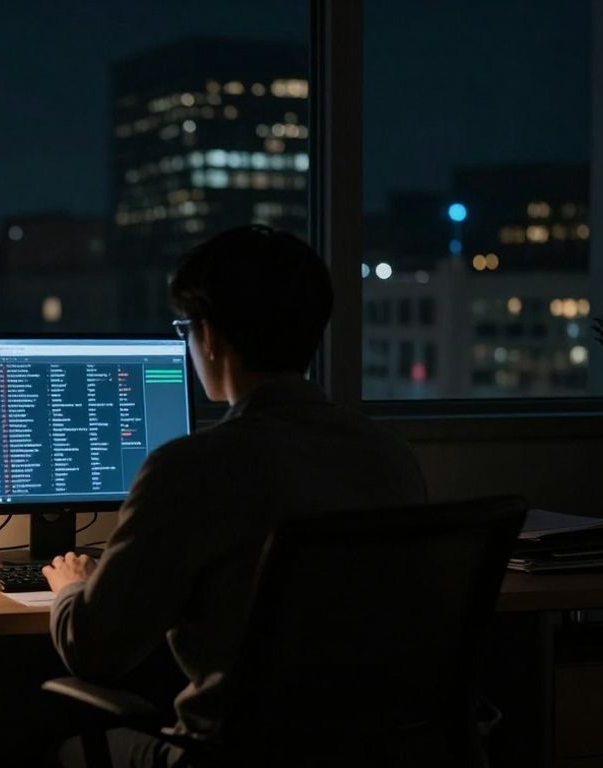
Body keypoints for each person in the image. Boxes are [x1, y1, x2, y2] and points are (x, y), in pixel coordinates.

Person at [42, 225, 427, 767]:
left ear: (208, 336)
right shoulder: (390, 455)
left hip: (232, 756)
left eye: (185, 329)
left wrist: (70, 588)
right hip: (380, 751)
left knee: (67, 751)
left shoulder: (190, 468)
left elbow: (94, 652)